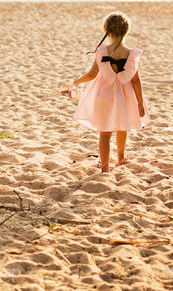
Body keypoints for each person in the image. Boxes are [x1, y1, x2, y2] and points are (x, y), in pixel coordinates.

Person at [63, 12, 150, 172]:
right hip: (125, 96)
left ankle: (105, 168)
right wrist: (139, 103)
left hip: (104, 96)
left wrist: (77, 80)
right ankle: (121, 157)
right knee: (122, 127)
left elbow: (91, 74)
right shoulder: (132, 55)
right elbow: (136, 80)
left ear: (107, 32)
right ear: (126, 31)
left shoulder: (102, 51)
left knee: (105, 133)